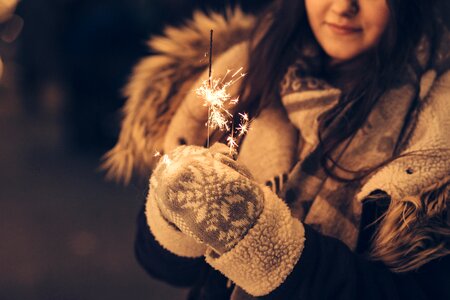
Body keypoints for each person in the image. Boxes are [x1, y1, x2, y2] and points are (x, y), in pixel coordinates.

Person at [103, 0, 450, 299]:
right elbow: (162, 264)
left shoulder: (437, 122)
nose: (344, 7)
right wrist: (179, 210)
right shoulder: (240, 72)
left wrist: (261, 240)